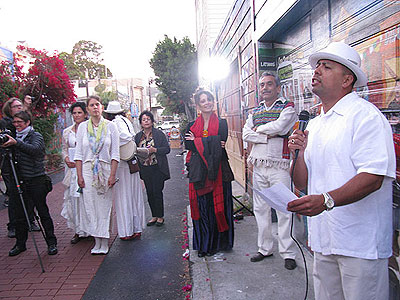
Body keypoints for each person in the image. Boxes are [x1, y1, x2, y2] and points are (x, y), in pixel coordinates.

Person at [288, 42, 395, 299]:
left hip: (360, 243)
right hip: (324, 239)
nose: (316, 71)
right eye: (316, 66)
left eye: (326, 67)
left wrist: (326, 200)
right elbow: (301, 182)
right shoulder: (314, 123)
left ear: (348, 79)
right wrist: (300, 153)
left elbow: (373, 177)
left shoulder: (366, 117)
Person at [242, 72, 298, 270]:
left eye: (269, 84)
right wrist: (266, 135)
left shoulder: (287, 107)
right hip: (259, 166)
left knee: (284, 208)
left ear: (277, 87)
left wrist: (258, 130)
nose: (264, 88)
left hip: (279, 166)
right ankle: (265, 248)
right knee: (261, 209)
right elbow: (245, 133)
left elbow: (282, 127)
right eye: (262, 85)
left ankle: (288, 253)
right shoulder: (255, 111)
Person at [185, 89, 234, 257]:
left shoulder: (222, 123)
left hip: (219, 170)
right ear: (198, 105)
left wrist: (198, 141)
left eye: (210, 100)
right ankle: (205, 244)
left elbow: (221, 144)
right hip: (199, 172)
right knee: (203, 208)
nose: (207, 103)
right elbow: (189, 146)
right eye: (203, 101)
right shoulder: (190, 125)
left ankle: (220, 243)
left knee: (218, 208)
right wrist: (210, 143)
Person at [3, 111, 57, 256]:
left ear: (27, 122)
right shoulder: (12, 137)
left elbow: (35, 150)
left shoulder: (35, 136)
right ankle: (20, 244)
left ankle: (51, 242)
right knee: (20, 214)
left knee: (42, 211)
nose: (16, 125)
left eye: (19, 122)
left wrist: (16, 143)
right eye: (15, 122)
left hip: (36, 179)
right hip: (19, 180)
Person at [74, 96, 120, 255]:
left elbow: (115, 153)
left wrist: (112, 175)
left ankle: (104, 240)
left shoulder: (111, 126)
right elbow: (78, 154)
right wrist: (79, 176)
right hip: (87, 170)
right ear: (87, 109)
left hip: (105, 169)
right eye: (91, 105)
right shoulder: (82, 128)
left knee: (104, 205)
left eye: (97, 105)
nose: (94, 107)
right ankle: (96, 240)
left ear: (102, 107)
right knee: (90, 205)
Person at [104, 101, 145, 240]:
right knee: (134, 195)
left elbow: (121, 138)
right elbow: (130, 136)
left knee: (123, 196)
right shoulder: (126, 120)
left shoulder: (114, 123)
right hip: (131, 160)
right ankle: (136, 227)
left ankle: (126, 231)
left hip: (121, 162)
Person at [0, 98, 39, 238]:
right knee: (14, 195)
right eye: (16, 107)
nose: (19, 108)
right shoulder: (5, 123)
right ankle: (13, 225)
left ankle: (30, 221)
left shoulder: (28, 127)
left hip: (25, 165)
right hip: (9, 164)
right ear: (9, 109)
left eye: (20, 106)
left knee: (29, 195)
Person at [134, 111, 170, 227]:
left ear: (152, 121)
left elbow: (167, 149)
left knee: (157, 191)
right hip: (145, 168)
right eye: (144, 119)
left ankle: (160, 216)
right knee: (149, 192)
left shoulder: (159, 134)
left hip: (157, 167)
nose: (146, 121)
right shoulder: (138, 136)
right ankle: (154, 215)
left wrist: (155, 150)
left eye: (148, 119)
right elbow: (134, 150)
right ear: (140, 122)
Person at [61, 101, 89, 244]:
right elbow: (64, 148)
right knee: (74, 199)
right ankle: (78, 230)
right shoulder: (67, 131)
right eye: (74, 113)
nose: (77, 115)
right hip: (72, 170)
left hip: (87, 168)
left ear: (85, 114)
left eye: (80, 112)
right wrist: (66, 159)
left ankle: (91, 229)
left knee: (87, 199)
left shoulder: (91, 129)